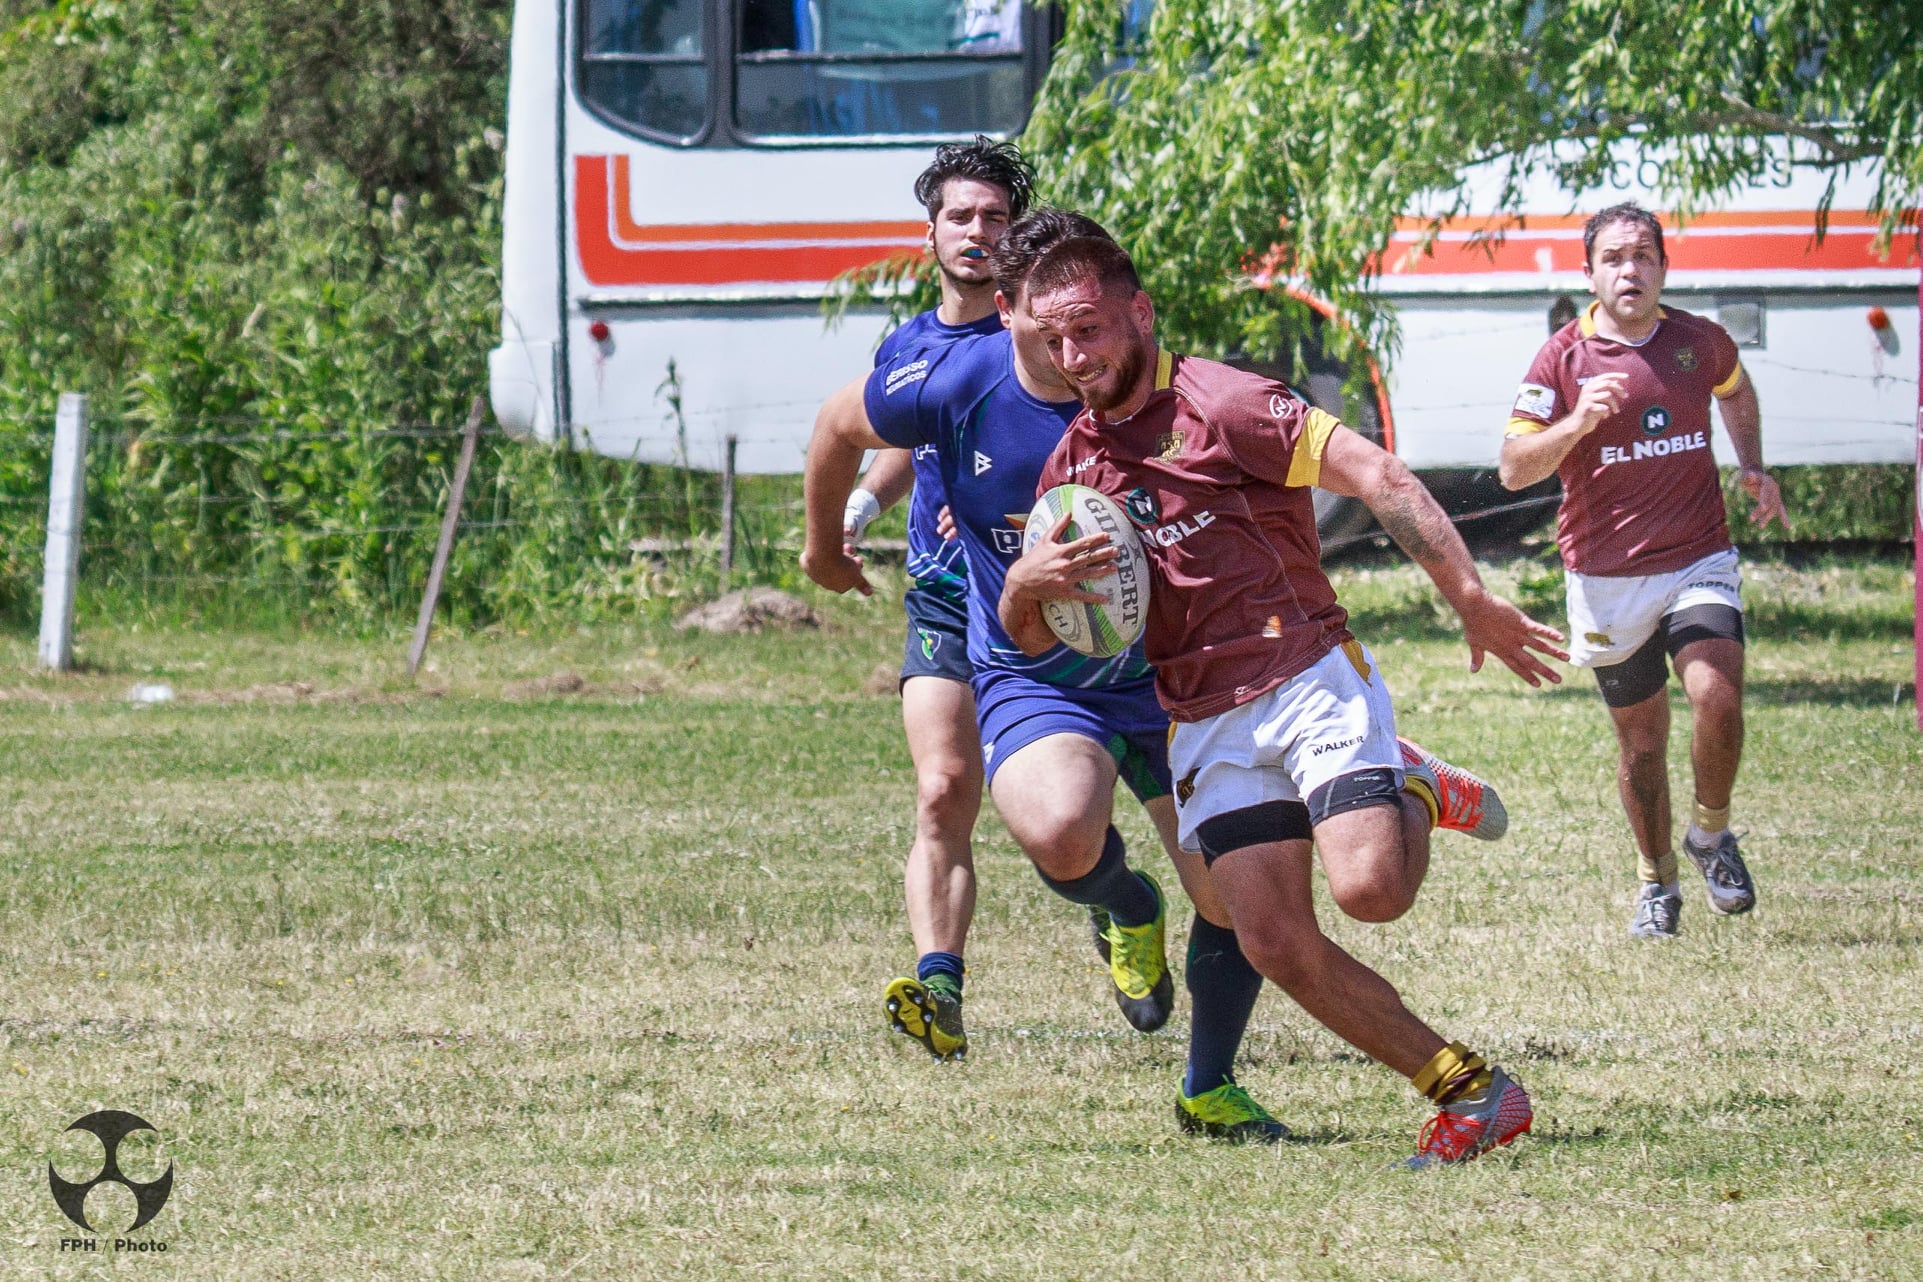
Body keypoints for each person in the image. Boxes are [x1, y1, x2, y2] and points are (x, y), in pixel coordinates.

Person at [999, 234, 1566, 1166]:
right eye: (1052, 339)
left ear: (1138, 313)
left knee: (1371, 894)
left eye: (1088, 330)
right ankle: (1471, 1095)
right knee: (1272, 942)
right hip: (1201, 719)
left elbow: (1379, 476)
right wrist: (1026, 586)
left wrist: (1470, 599)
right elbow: (1034, 640)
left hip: (1305, 675)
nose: (1072, 357)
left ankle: (1411, 786)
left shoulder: (1226, 404)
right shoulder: (1072, 469)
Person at [1498, 202, 1788, 939]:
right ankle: (1656, 880)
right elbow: (1512, 469)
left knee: (1716, 692)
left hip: (1697, 556)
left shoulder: (1700, 341)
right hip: (1606, 578)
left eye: (1643, 256)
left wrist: (1753, 466)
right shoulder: (1561, 359)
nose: (1629, 270)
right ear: (1589, 273)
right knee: (1643, 745)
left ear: (1663, 267)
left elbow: (1736, 390)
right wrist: (1576, 423)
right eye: (1613, 259)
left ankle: (1711, 834)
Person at [804, 137, 1032, 1059]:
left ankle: (1118, 901)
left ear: (1016, 233)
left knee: (1066, 814)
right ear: (930, 233)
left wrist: (1002, 504)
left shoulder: (1041, 336)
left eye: (994, 218)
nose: (977, 232)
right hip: (942, 593)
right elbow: (904, 436)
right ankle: (940, 988)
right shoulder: (907, 343)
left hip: (1039, 597)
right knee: (942, 790)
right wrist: (862, 505)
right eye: (959, 216)